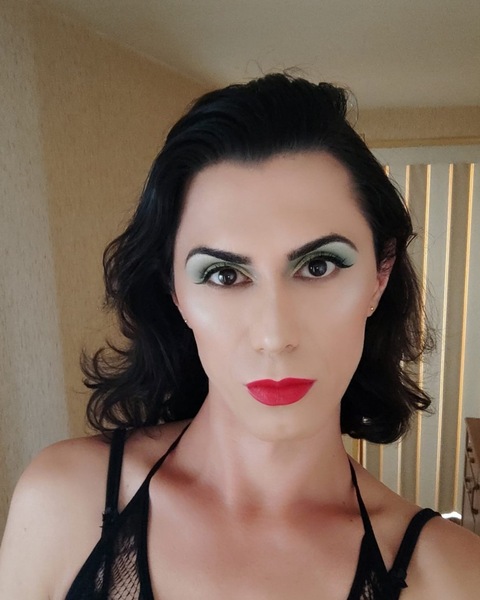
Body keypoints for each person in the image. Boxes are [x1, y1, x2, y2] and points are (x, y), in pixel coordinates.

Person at [1, 73, 479, 600]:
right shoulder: (64, 503)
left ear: (380, 275)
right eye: (224, 274)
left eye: (318, 266)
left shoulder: (455, 576)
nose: (274, 336)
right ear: (175, 291)